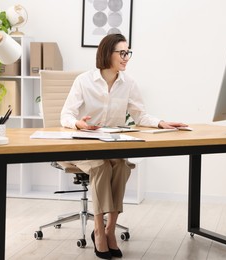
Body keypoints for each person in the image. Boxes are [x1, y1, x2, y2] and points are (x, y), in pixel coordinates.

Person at [61, 33, 188, 259]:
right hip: (82, 146)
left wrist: (161, 123)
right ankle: (99, 230)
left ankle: (110, 229)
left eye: (128, 52)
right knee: (101, 167)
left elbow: (140, 115)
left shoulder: (128, 83)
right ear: (107, 53)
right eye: (122, 52)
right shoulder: (84, 81)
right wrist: (78, 123)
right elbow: (66, 115)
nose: (126, 57)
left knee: (120, 166)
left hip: (111, 146)